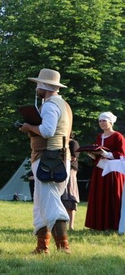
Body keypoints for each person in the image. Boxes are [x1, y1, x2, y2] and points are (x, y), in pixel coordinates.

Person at [18, 68, 72, 254]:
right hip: (55, 157)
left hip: (49, 158)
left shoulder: (50, 105)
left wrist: (28, 127)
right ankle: (42, 247)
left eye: (38, 85)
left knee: (49, 202)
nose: (37, 89)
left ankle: (63, 247)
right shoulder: (63, 104)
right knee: (41, 203)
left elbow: (48, 131)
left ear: (44, 86)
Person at [84, 112, 125, 231]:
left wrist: (106, 154)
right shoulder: (99, 137)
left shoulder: (118, 136)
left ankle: (112, 224)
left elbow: (122, 154)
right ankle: (98, 224)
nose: (101, 123)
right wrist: (92, 155)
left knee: (112, 195)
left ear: (110, 122)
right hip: (100, 169)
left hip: (113, 171)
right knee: (99, 195)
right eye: (100, 121)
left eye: (104, 121)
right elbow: (98, 154)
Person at [62, 132, 80, 230]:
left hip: (70, 169)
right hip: (60, 169)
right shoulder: (58, 142)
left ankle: (71, 226)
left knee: (70, 195)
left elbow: (73, 157)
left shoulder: (73, 143)